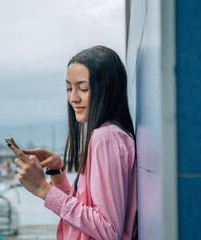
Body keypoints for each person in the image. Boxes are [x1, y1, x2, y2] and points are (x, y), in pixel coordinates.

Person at [8, 46, 137, 240]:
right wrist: (57, 172)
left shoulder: (106, 138)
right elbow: (83, 214)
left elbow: (108, 230)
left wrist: (43, 188)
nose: (73, 98)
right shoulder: (109, 135)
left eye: (83, 88)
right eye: (69, 88)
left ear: (107, 89)